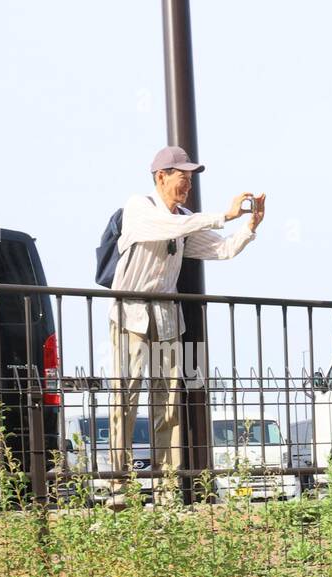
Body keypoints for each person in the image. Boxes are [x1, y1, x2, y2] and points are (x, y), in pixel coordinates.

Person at [107, 146, 264, 507]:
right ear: (161, 176)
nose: (187, 185)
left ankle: (165, 490)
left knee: (168, 405)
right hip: (129, 313)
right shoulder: (139, 207)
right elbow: (169, 225)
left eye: (191, 179)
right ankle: (119, 485)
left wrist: (249, 226)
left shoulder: (186, 219)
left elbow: (221, 250)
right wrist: (222, 215)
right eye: (183, 177)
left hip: (166, 318)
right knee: (124, 398)